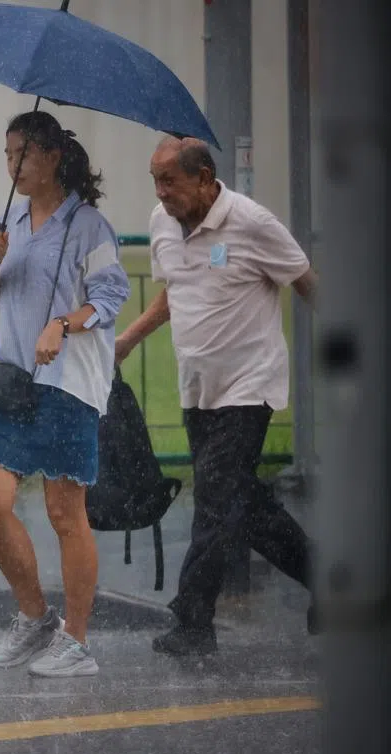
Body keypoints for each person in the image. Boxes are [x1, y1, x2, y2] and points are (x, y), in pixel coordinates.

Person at [116, 136, 319, 656]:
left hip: (249, 385)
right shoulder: (163, 224)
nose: (161, 193)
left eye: (171, 181)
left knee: (215, 493)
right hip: (198, 388)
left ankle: (192, 620)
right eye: (155, 181)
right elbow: (175, 291)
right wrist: (127, 339)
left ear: (205, 178)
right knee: (241, 503)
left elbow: (304, 281)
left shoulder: (252, 223)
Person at [0, 111, 130, 677]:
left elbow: (111, 298)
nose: (13, 165)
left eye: (24, 154)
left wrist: (62, 323)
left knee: (65, 514)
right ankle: (35, 615)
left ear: (54, 157)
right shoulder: (8, 217)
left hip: (67, 385)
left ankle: (77, 642)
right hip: (15, 384)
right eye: (8, 154)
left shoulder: (89, 227)